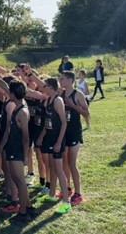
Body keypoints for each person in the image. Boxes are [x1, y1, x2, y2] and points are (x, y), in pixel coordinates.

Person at [0, 79, 36, 222]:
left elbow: (26, 137)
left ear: (13, 94)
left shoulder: (22, 112)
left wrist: (25, 156)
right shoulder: (17, 107)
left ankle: (22, 213)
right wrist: (2, 145)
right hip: (12, 148)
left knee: (20, 182)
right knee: (15, 179)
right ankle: (29, 206)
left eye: (10, 92)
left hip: (17, 150)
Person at [37, 78, 71, 214]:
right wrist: (41, 136)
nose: (43, 87)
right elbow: (47, 122)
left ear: (50, 87)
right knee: (51, 166)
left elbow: (64, 123)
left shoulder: (58, 100)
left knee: (58, 169)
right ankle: (52, 194)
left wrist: (58, 142)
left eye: (44, 85)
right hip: (49, 138)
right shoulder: (48, 100)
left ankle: (66, 202)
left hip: (57, 140)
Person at [59, 71, 89, 206]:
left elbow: (87, 113)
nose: (60, 81)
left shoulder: (78, 94)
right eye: (60, 78)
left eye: (63, 79)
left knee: (72, 163)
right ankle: (68, 187)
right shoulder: (60, 93)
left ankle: (78, 193)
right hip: (63, 132)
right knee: (64, 161)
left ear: (70, 80)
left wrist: (72, 105)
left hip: (74, 132)